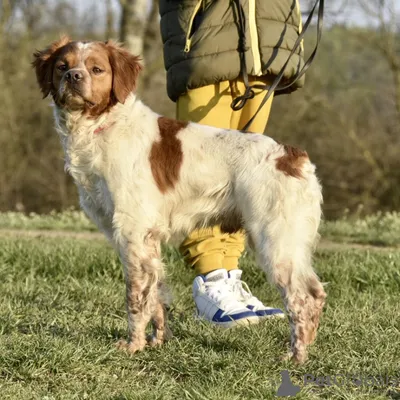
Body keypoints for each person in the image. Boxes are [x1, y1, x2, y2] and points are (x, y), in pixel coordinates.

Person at [159, 0, 304, 327]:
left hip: (265, 42)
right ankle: (209, 279)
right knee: (202, 171)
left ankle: (228, 275)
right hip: (207, 38)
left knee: (245, 176)